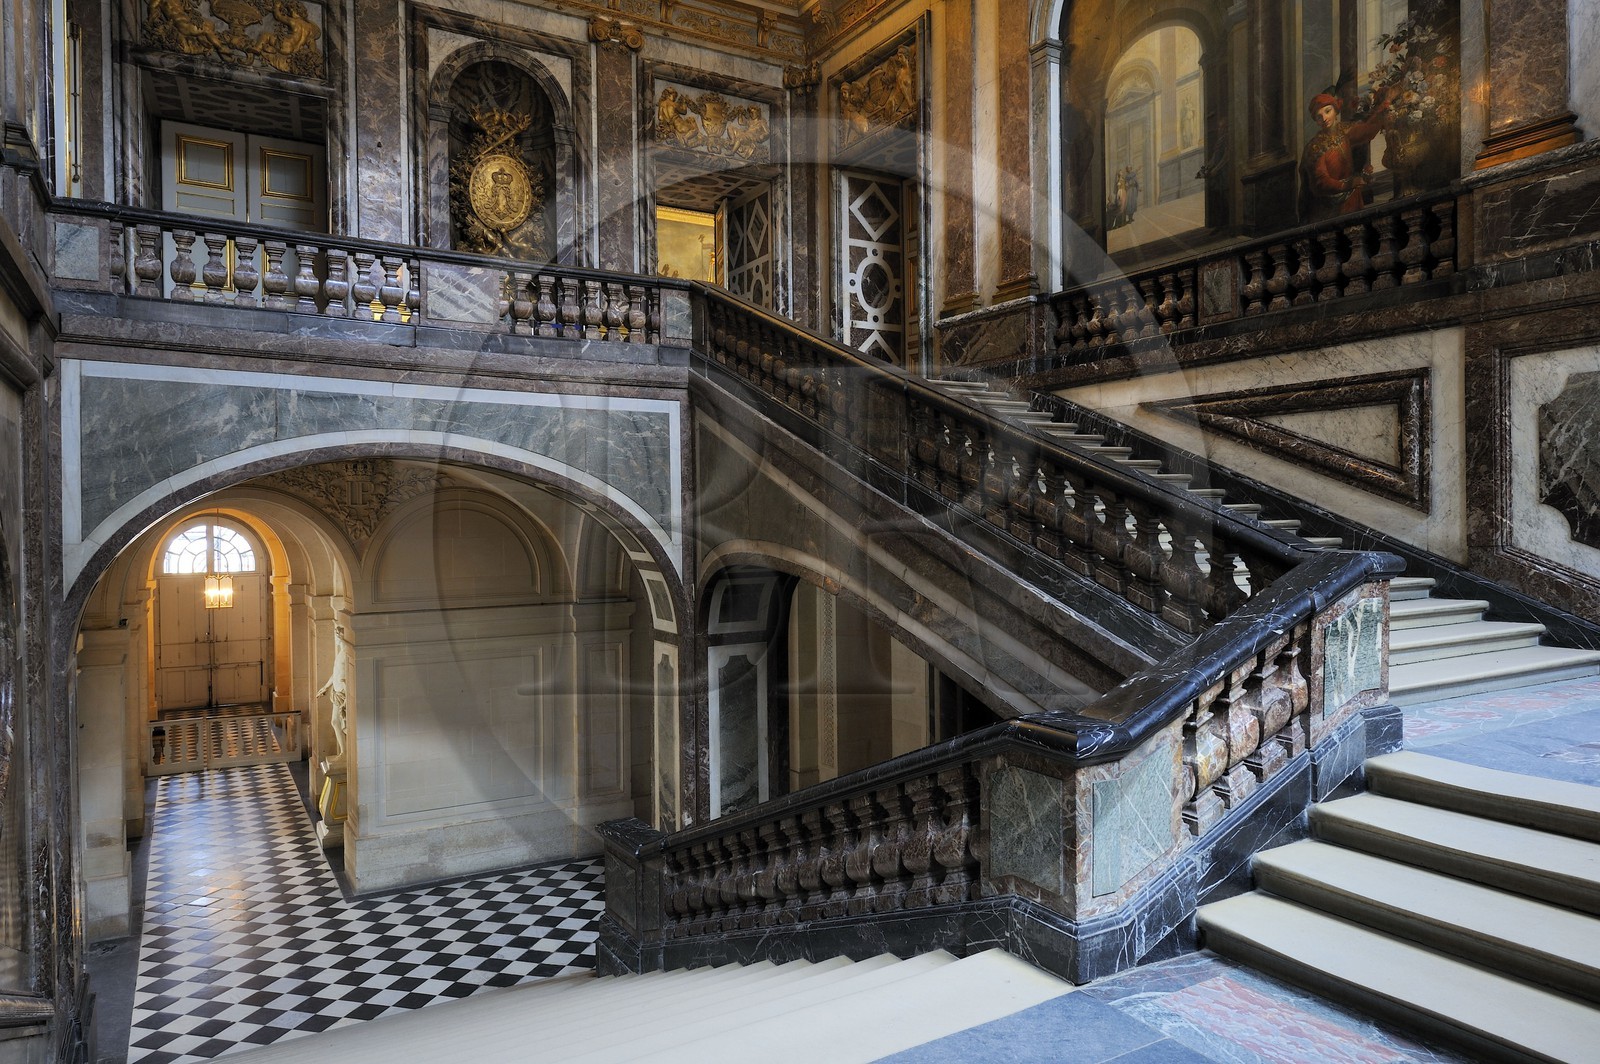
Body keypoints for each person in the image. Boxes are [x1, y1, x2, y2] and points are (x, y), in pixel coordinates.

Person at [1297, 91, 1391, 223]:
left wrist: (1383, 108)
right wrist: (1348, 184)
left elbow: (1367, 130)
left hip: (1351, 200)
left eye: (1327, 111)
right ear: (1316, 121)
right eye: (1319, 116)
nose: (1324, 118)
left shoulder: (1344, 130)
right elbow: (1320, 183)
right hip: (1328, 209)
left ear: (1335, 110)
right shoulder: (1315, 147)